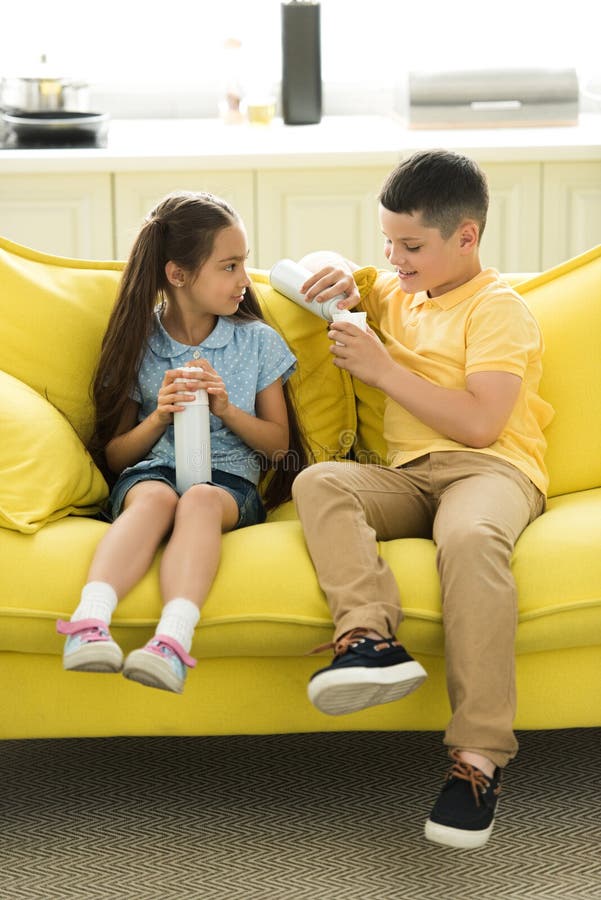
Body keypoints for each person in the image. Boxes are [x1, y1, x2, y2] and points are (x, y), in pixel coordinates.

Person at [291, 149, 553, 849]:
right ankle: (370, 640)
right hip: (408, 476)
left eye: (410, 245)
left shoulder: (499, 310)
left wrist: (381, 370)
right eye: (386, 241)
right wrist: (342, 269)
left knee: (468, 540)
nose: (394, 257)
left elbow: (479, 423)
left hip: (488, 469)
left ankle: (477, 758)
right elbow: (336, 274)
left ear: (465, 237)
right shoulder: (394, 288)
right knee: (318, 481)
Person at [57, 191, 307, 695]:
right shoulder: (139, 341)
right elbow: (116, 456)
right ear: (178, 275)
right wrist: (158, 418)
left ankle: (170, 643)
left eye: (244, 265)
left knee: (197, 499)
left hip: (229, 483)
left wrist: (226, 410)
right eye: (230, 266)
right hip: (154, 470)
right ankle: (88, 624)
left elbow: (280, 449)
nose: (244, 280)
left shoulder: (256, 341)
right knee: (154, 496)